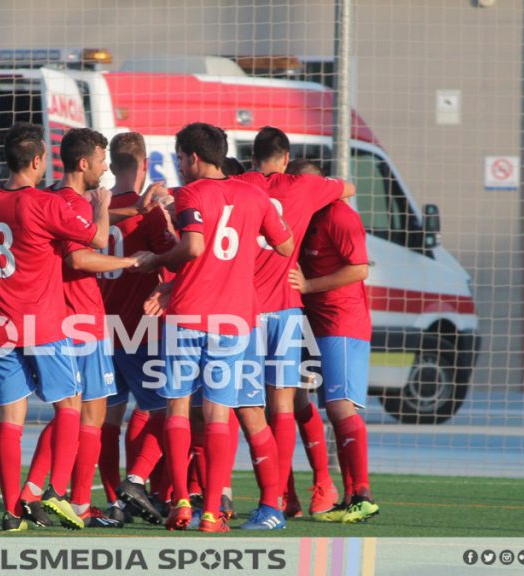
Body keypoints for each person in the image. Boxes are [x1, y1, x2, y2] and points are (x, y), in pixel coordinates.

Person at [139, 122, 294, 532]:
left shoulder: (191, 194)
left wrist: (156, 262)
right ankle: (211, 511)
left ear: (192, 157)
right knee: (219, 413)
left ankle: (181, 505)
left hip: (188, 314)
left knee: (177, 407)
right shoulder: (254, 195)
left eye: (179, 159)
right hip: (235, 319)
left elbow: (193, 247)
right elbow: (285, 245)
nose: (179, 166)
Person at [0, 122, 116, 532]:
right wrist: (103, 206)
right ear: (38, 161)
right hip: (44, 324)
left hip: (0, 326)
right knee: (70, 406)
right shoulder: (44, 203)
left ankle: (11, 510)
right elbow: (98, 241)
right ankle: (55, 492)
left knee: (10, 422)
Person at [17, 128, 146, 529]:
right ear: (84, 163)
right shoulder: (71, 201)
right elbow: (81, 257)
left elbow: (87, 221)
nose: (107, 169)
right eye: (103, 161)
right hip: (80, 320)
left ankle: (34, 492)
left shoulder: (56, 196)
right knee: (88, 415)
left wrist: (132, 208)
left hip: (65, 319)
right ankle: (74, 500)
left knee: (72, 414)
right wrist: (131, 262)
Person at [233, 129, 355, 519]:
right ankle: (283, 496)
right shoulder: (305, 186)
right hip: (286, 307)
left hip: (244, 309)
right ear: (285, 158)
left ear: (254, 158)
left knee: (245, 406)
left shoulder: (240, 185)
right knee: (284, 404)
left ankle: (268, 493)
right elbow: (348, 188)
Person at [289, 161, 380, 524]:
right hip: (312, 321)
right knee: (313, 403)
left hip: (341, 322)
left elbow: (359, 268)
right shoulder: (302, 216)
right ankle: (340, 492)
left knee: (342, 407)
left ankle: (362, 493)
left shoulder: (340, 216)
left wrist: (309, 286)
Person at [98, 132, 178, 526]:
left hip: (100, 328)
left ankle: (112, 502)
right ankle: (137, 483)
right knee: (164, 410)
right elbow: (180, 255)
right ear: (144, 165)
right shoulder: (149, 211)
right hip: (142, 330)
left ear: (111, 167)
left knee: (107, 421)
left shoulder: (98, 208)